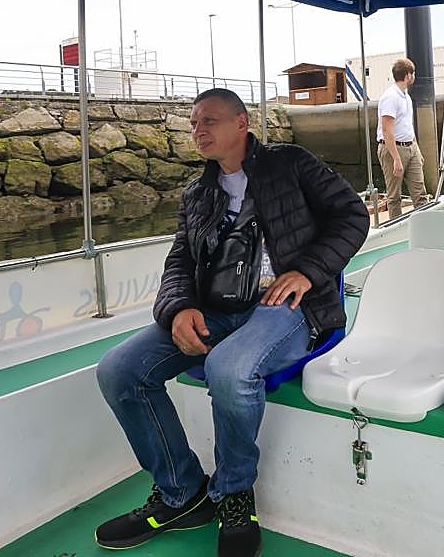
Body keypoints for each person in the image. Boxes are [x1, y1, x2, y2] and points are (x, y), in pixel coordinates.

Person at [94, 88, 369, 556]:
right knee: (119, 370)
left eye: (209, 121)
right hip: (215, 308)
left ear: (242, 123)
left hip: (287, 307)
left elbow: (352, 215)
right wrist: (178, 308)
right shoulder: (197, 193)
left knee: (228, 368)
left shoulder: (291, 164)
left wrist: (307, 271)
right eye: (194, 123)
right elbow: (180, 260)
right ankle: (181, 494)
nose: (198, 130)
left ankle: (235, 493)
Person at [376, 57, 427, 219]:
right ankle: (396, 228)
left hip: (410, 147)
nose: (414, 77)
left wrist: (416, 150)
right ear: (408, 75)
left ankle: (425, 224)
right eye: (413, 73)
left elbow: (407, 125)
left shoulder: (406, 96)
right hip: (393, 148)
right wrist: (396, 159)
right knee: (394, 196)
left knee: (420, 193)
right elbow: (386, 130)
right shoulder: (390, 97)